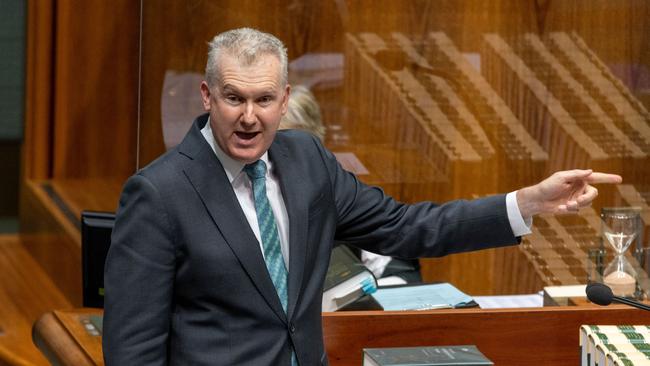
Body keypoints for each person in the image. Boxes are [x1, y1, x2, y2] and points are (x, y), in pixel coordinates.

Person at [103, 28, 622, 366]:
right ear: (207, 96)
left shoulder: (306, 161)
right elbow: (132, 352)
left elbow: (408, 227)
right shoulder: (159, 193)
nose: (249, 117)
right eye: (234, 98)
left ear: (285, 100)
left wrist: (524, 203)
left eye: (264, 100)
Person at [279, 85, 421, 284]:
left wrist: (359, 293)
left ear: (315, 142)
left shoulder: (340, 193)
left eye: (286, 145)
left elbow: (398, 272)